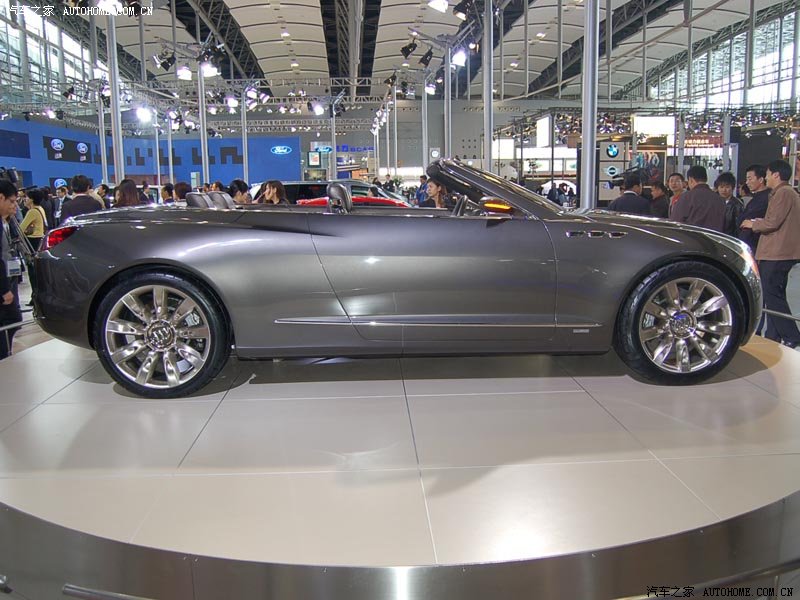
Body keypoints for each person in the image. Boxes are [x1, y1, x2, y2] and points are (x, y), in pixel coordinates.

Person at [740, 159, 800, 348]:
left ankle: (791, 335)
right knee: (774, 294)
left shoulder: (784, 193)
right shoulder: (785, 193)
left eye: (767, 174)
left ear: (776, 174)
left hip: (777, 252)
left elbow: (772, 222)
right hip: (777, 252)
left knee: (771, 294)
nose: (766, 178)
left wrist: (752, 224)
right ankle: (776, 335)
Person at [0, 180, 22, 360]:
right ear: (1, 198)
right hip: (3, 282)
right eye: (12, 201)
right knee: (11, 319)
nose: (15, 206)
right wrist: (4, 289)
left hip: (8, 276)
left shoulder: (6, 221)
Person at [670, 165, 726, 232]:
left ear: (691, 180)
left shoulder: (686, 197)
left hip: (691, 237)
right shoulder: (720, 199)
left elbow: (675, 223)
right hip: (714, 237)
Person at [738, 164, 770, 254]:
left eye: (750, 179)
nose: (747, 182)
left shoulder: (767, 198)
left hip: (756, 245)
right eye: (746, 179)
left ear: (761, 180)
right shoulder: (756, 197)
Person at [715, 172, 743, 237]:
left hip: (729, 238)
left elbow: (738, 228)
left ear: (733, 188)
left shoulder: (737, 205)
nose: (724, 190)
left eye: (727, 187)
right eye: (721, 187)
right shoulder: (714, 202)